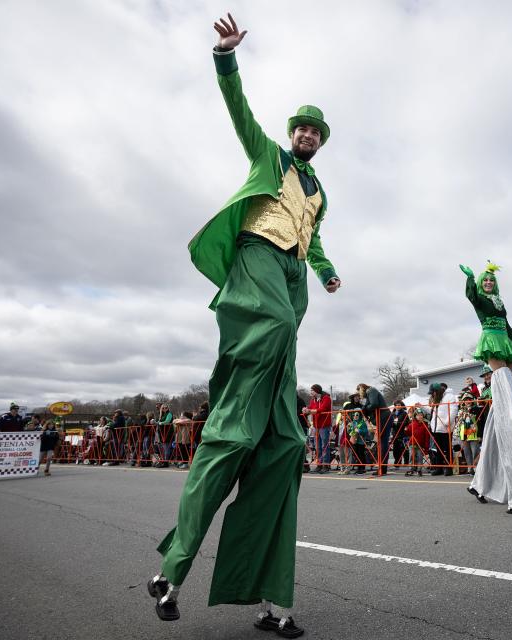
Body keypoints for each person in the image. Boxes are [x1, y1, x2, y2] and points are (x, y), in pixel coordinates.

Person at [149, 14, 341, 636]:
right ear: (291, 133)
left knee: (284, 449)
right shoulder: (270, 155)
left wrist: (329, 270)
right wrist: (226, 58)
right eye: (301, 127)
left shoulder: (319, 191)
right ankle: (175, 563)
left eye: (315, 130)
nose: (306, 135)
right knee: (275, 334)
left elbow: (311, 242)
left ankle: (267, 599)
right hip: (256, 260)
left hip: (290, 273)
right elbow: (238, 111)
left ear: (323, 141)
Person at [459, 262, 512, 516]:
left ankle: (479, 485)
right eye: (484, 280)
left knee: (502, 408)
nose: (488, 282)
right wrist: (470, 280)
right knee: (508, 413)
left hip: (506, 342)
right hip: (491, 340)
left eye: (491, 280)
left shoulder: (499, 301)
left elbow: (507, 322)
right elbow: (472, 297)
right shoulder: (480, 299)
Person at [357, 383, 392, 474]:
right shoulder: (370, 393)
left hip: (383, 417)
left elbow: (374, 404)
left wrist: (365, 408)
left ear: (361, 388)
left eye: (359, 391)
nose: (359, 394)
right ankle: (382, 467)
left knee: (383, 443)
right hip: (383, 417)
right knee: (382, 442)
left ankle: (382, 468)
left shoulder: (371, 390)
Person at [303, 385, 333, 473]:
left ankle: (326, 465)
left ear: (317, 391)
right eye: (310, 390)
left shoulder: (326, 398)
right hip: (316, 426)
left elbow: (322, 409)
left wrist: (310, 411)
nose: (311, 392)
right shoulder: (313, 400)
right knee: (317, 446)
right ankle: (319, 464)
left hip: (324, 426)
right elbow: (311, 408)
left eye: (312, 390)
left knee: (324, 445)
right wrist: (305, 409)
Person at [455, 390, 480, 475]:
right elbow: (458, 423)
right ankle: (470, 468)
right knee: (466, 452)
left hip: (473, 434)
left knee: (475, 451)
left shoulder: (477, 409)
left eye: (469, 399)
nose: (468, 401)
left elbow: (480, 422)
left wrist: (480, 435)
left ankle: (476, 467)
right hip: (463, 434)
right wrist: (458, 434)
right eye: (466, 400)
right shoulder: (460, 410)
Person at [406, 407, 430, 476]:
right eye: (418, 415)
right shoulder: (411, 424)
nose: (420, 416)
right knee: (412, 456)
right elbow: (408, 433)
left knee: (419, 457)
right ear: (415, 416)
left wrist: (426, 446)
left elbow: (427, 437)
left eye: (421, 415)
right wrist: (406, 430)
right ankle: (411, 468)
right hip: (412, 443)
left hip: (420, 445)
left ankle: (419, 469)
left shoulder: (425, 425)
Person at [387, 401, 410, 470]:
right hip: (395, 433)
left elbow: (407, 422)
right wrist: (393, 424)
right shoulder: (392, 413)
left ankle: (406, 462)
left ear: (401, 405)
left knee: (404, 449)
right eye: (396, 405)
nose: (398, 406)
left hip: (403, 433)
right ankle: (397, 462)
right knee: (396, 450)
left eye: (399, 405)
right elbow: (390, 422)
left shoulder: (404, 413)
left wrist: (399, 424)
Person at [155, 404, 174, 469]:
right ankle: (163, 460)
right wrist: (155, 422)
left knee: (166, 447)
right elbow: (159, 421)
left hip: (168, 432)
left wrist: (160, 423)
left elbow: (167, 421)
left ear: (168, 408)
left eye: (166, 408)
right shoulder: (161, 415)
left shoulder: (169, 414)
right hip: (162, 433)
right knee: (163, 447)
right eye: (163, 408)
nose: (164, 409)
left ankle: (166, 462)